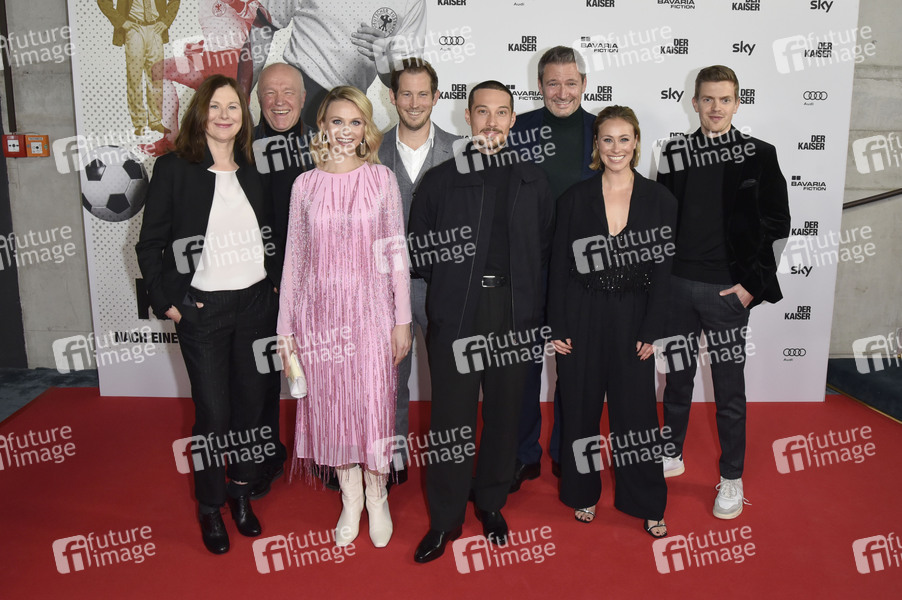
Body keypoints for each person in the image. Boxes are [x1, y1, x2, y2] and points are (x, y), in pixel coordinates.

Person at [409, 81, 554, 563]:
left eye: (501, 112)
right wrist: (455, 289)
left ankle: (491, 502)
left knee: (504, 415)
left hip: (513, 313)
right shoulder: (440, 181)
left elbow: (545, 251)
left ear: (513, 119)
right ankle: (445, 520)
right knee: (451, 421)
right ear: (467, 117)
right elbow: (420, 252)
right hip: (458, 315)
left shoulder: (534, 181)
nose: (492, 122)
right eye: (483, 112)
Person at [136, 74, 279, 554]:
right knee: (214, 414)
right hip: (203, 309)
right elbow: (150, 243)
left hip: (256, 306)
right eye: (215, 106)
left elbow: (270, 237)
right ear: (200, 113)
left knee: (251, 409)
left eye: (233, 107)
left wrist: (274, 287)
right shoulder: (174, 169)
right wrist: (168, 303)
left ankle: (241, 494)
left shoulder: (253, 170)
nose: (224, 115)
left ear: (243, 117)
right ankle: (210, 506)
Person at [276, 86, 411, 548]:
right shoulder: (305, 186)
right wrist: (285, 331)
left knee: (372, 404)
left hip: (372, 313)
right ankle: (350, 497)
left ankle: (378, 496)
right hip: (319, 316)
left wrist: (402, 320)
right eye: (337, 121)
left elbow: (395, 254)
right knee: (332, 407)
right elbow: (294, 261)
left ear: (366, 127)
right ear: (322, 126)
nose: (347, 131)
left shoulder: (381, 180)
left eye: (356, 122)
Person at [656, 65, 790, 519]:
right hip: (676, 288)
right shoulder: (674, 151)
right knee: (676, 379)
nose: (716, 108)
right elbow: (662, 219)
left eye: (725, 99)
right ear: (694, 102)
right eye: (708, 99)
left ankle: (731, 478)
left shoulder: (760, 154)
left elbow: (777, 225)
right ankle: (670, 451)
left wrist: (751, 287)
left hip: (727, 293)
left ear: (737, 103)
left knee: (729, 391)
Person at [548, 105, 674, 537]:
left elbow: (664, 270)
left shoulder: (660, 199)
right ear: (596, 145)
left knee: (636, 416)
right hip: (580, 314)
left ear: (636, 142)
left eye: (624, 139)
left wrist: (652, 329)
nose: (616, 148)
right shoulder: (574, 198)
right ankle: (582, 492)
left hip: (634, 318)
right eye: (607, 139)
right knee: (579, 410)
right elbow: (559, 267)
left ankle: (646, 500)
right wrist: (558, 325)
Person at [507, 45, 597, 492]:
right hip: (526, 269)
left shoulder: (603, 131)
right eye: (553, 83)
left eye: (571, 82)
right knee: (521, 369)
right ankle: (523, 454)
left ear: (584, 84)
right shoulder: (517, 129)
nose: (563, 92)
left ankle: (567, 451)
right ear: (539, 85)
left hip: (583, 274)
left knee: (575, 370)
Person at [378, 58, 460, 488]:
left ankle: (449, 467)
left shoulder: (463, 151)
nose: (414, 103)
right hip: (384, 291)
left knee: (451, 384)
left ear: (436, 96)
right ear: (392, 97)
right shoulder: (370, 150)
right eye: (406, 93)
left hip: (443, 288)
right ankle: (392, 460)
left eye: (422, 94)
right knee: (389, 384)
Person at [248, 62, 317, 500]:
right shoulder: (239, 149)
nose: (279, 101)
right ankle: (263, 456)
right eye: (269, 92)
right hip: (257, 287)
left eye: (288, 92)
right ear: (257, 99)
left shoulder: (324, 147)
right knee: (258, 379)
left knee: (325, 371)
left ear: (303, 97)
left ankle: (330, 454)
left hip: (316, 286)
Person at [237, 0, 426, 128]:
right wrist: (240, 99)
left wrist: (385, 59)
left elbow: (404, 79)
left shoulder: (412, 2)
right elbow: (263, 23)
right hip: (297, 97)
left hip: (351, 108)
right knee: (278, 175)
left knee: (339, 178)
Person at [141, 0, 268, 156]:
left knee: (231, 103)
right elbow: (221, 30)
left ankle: (248, 140)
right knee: (159, 70)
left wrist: (235, 3)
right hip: (208, 58)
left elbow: (263, 19)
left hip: (233, 58)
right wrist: (201, 45)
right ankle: (171, 138)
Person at [97, 0, 179, 138]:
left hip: (155, 30)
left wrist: (166, 21)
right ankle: (139, 123)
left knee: (156, 79)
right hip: (134, 29)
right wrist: (121, 22)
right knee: (134, 79)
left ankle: (155, 121)